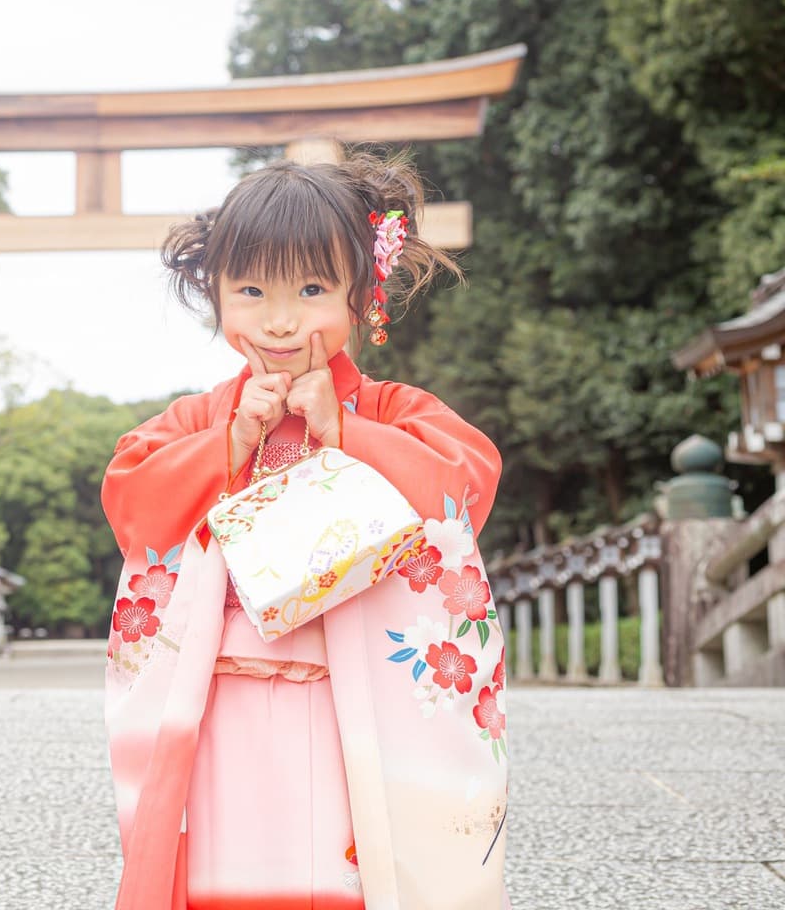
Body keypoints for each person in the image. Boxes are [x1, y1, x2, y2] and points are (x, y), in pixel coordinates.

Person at [100, 155, 511, 910]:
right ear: (215, 291)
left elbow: (466, 485)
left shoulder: (388, 411)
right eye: (252, 290)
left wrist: (345, 431)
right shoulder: (202, 418)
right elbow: (132, 500)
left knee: (349, 869)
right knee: (228, 871)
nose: (281, 319)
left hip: (356, 703)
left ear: (363, 293)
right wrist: (228, 443)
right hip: (221, 695)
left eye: (312, 290)